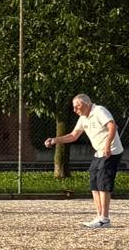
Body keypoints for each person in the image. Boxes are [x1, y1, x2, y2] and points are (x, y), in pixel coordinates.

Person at [45, 93, 124, 228]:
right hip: (99, 152)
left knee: (103, 183)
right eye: (74, 107)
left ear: (86, 104)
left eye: (77, 106)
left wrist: (107, 145)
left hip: (111, 151)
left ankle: (104, 219)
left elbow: (112, 126)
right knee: (94, 182)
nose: (75, 110)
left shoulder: (99, 111)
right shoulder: (83, 117)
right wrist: (55, 140)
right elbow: (73, 135)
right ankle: (99, 216)